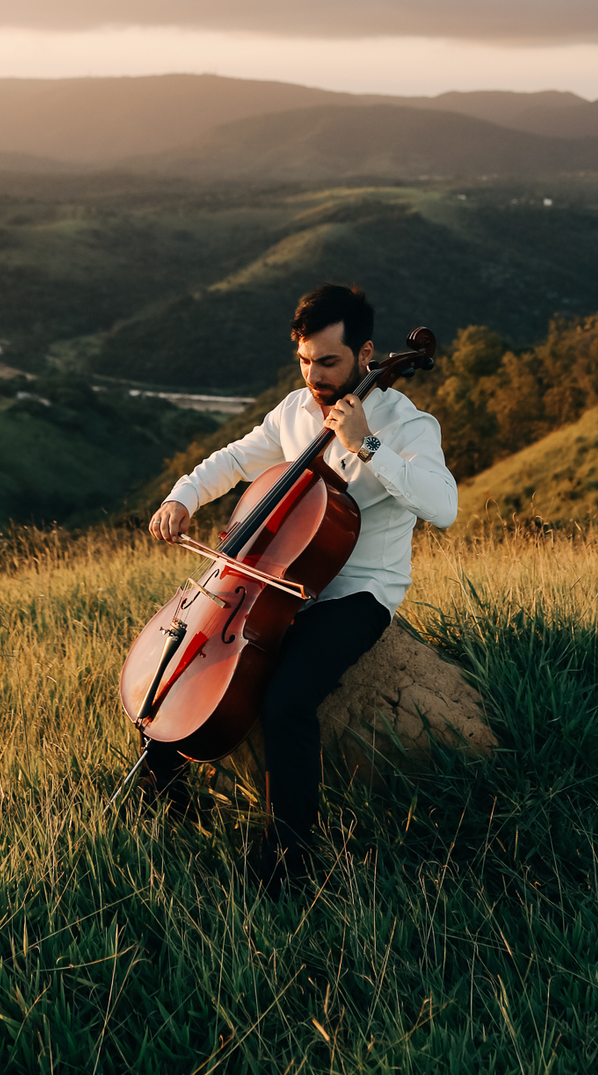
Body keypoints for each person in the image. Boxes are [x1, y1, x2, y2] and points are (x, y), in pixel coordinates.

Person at [144, 282, 457, 892]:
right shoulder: (292, 412)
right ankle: (164, 800)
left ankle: (288, 861)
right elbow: (235, 460)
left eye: (329, 362)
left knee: (287, 701)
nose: (314, 375)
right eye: (305, 361)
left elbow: (442, 506)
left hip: (357, 594)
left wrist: (364, 444)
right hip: (278, 585)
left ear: (366, 354)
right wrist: (182, 495)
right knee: (186, 660)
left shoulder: (407, 424)